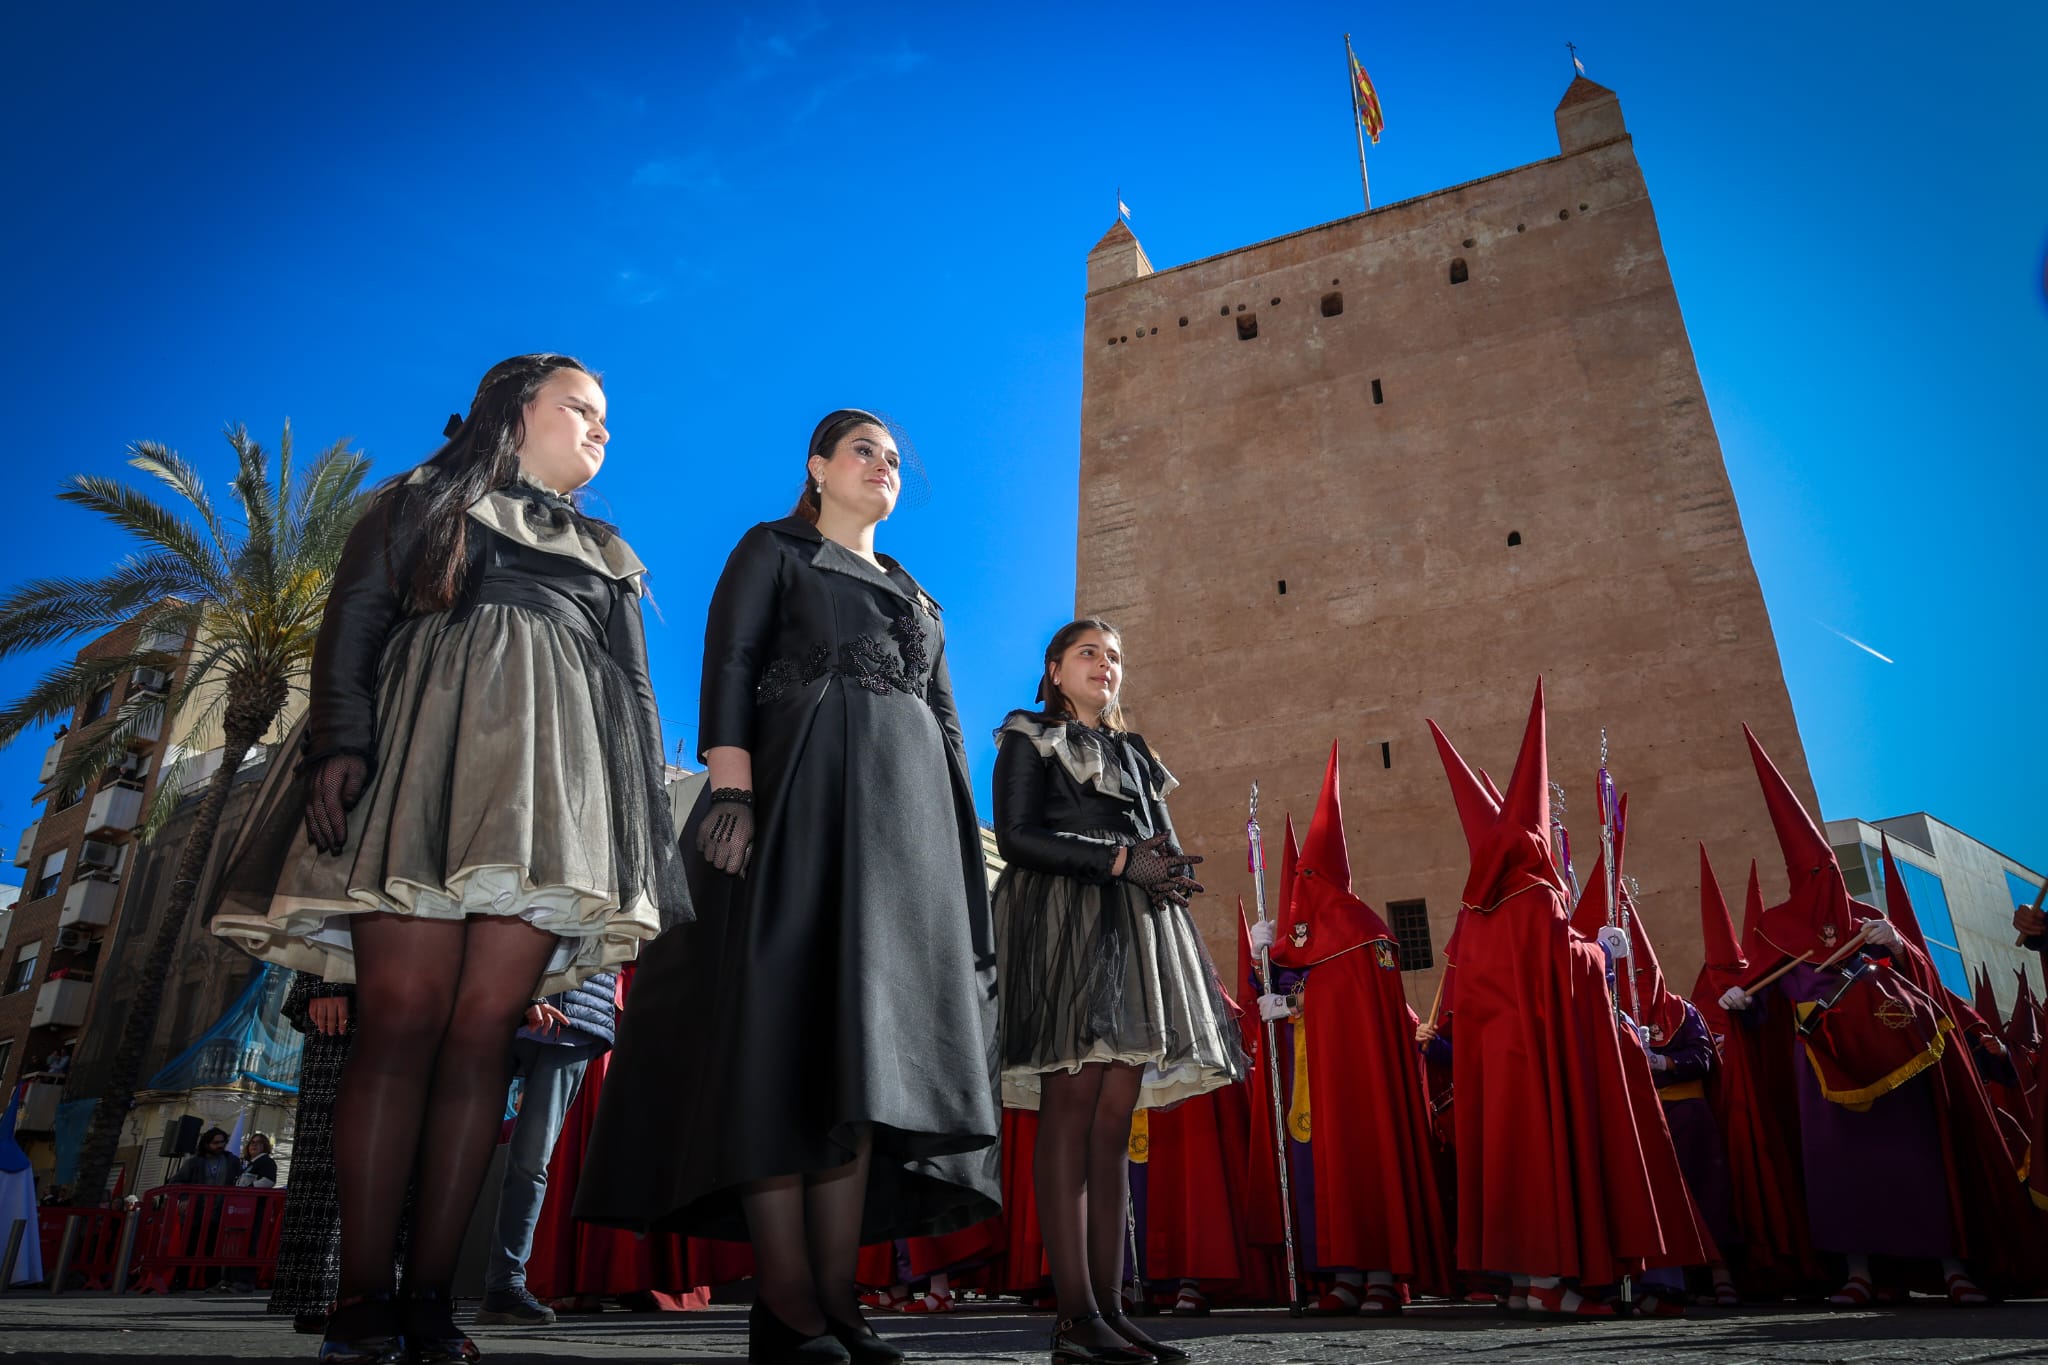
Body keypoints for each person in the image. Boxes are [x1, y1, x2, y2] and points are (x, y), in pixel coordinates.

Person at [211, 353, 688, 1365]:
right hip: (422, 772)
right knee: (402, 1028)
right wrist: (340, 740)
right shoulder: (422, 501)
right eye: (582, 409)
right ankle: (357, 1303)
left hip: (546, 803)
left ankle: (432, 1303)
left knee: (480, 1042)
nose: (602, 430)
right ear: (515, 411)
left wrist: (642, 818)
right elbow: (353, 623)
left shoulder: (605, 548)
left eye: (609, 419)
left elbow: (636, 699)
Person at [579, 409, 1001, 1365]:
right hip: (791, 822)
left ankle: (835, 1300)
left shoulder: (921, 599)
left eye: (895, 458)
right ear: (817, 466)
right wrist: (731, 792)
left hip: (901, 852)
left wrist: (956, 866)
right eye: (865, 450)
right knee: (782, 1054)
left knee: (862, 1072)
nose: (884, 466)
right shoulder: (773, 549)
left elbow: (946, 732)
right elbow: (726, 663)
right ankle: (787, 1301)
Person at [991, 617, 1244, 1362]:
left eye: (1115, 657)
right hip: (1062, 924)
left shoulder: (1136, 752)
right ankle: (1074, 1316)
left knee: (1114, 1120)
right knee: (1070, 1110)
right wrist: (1116, 862)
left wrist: (1167, 868)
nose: (1106, 666)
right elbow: (1016, 837)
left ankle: (1111, 1309)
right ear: (1055, 667)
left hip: (1134, 929)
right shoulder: (1027, 735)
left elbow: (1159, 842)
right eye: (1089, 653)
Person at [1426, 682, 1712, 1316]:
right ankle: (1556, 1285)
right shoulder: (1534, 898)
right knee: (1547, 1159)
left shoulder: (1473, 916)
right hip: (1538, 1060)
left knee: (1513, 1163)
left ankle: (1532, 1283)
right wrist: (1598, 951)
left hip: (1493, 1068)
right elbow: (1566, 964)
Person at [1716, 728, 2029, 1306]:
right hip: (1820, 1064)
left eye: (1826, 867)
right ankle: (1858, 1272)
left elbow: (1924, 988)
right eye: (1810, 870)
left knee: (1920, 1159)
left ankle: (1952, 1266)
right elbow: (1757, 999)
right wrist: (1741, 1003)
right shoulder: (1775, 931)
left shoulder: (1867, 919)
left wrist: (1901, 945)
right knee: (1839, 1168)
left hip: (1894, 1056)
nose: (1822, 877)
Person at [476, 972, 616, 1327]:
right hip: (492, 1005)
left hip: (573, 1017)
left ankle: (505, 1285)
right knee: (454, 1156)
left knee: (531, 1163)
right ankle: (423, 1284)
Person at [267, 972, 361, 1334]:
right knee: (326, 1145)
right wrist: (325, 983)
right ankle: (317, 1292)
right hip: (348, 986)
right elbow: (323, 913)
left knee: (408, 1159)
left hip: (431, 990)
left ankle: (387, 1291)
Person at [174, 1128, 243, 1186]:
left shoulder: (233, 1161)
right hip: (198, 1201)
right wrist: (185, 1198)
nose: (220, 1145)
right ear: (206, 1144)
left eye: (222, 1142)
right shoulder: (194, 1162)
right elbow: (176, 1182)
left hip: (224, 1201)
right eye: (215, 1143)